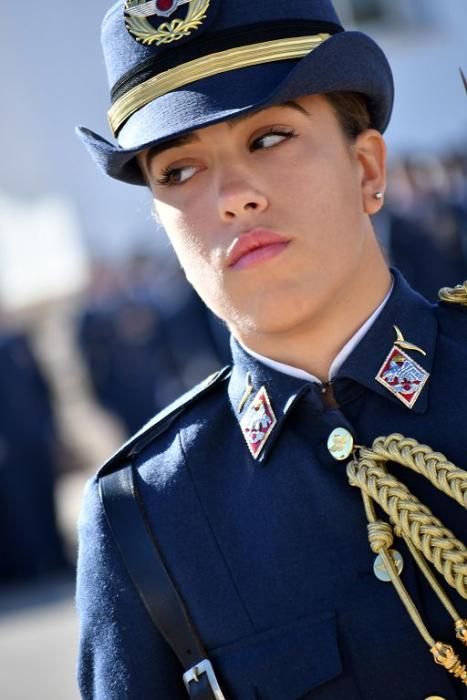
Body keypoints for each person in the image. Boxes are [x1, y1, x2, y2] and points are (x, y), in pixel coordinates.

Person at [76, 1, 467, 698]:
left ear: (367, 166)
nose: (231, 197)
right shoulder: (145, 511)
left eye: (267, 139)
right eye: (179, 172)